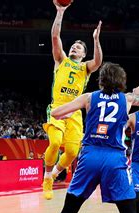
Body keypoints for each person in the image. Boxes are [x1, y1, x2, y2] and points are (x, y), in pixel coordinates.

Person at [45, 62, 139, 213]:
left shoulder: (89, 97)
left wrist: (66, 112)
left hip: (90, 157)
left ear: (101, 80)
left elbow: (55, 113)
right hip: (114, 159)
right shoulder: (127, 99)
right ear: (121, 81)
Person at [42, 0, 103, 200]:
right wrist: (60, 12)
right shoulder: (61, 60)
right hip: (58, 107)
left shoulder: (85, 68)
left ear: (83, 54)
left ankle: (56, 173)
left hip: (75, 111)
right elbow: (54, 36)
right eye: (74, 46)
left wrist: (95, 40)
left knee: (72, 151)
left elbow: (98, 62)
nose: (75, 48)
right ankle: (47, 177)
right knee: (55, 142)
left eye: (79, 48)